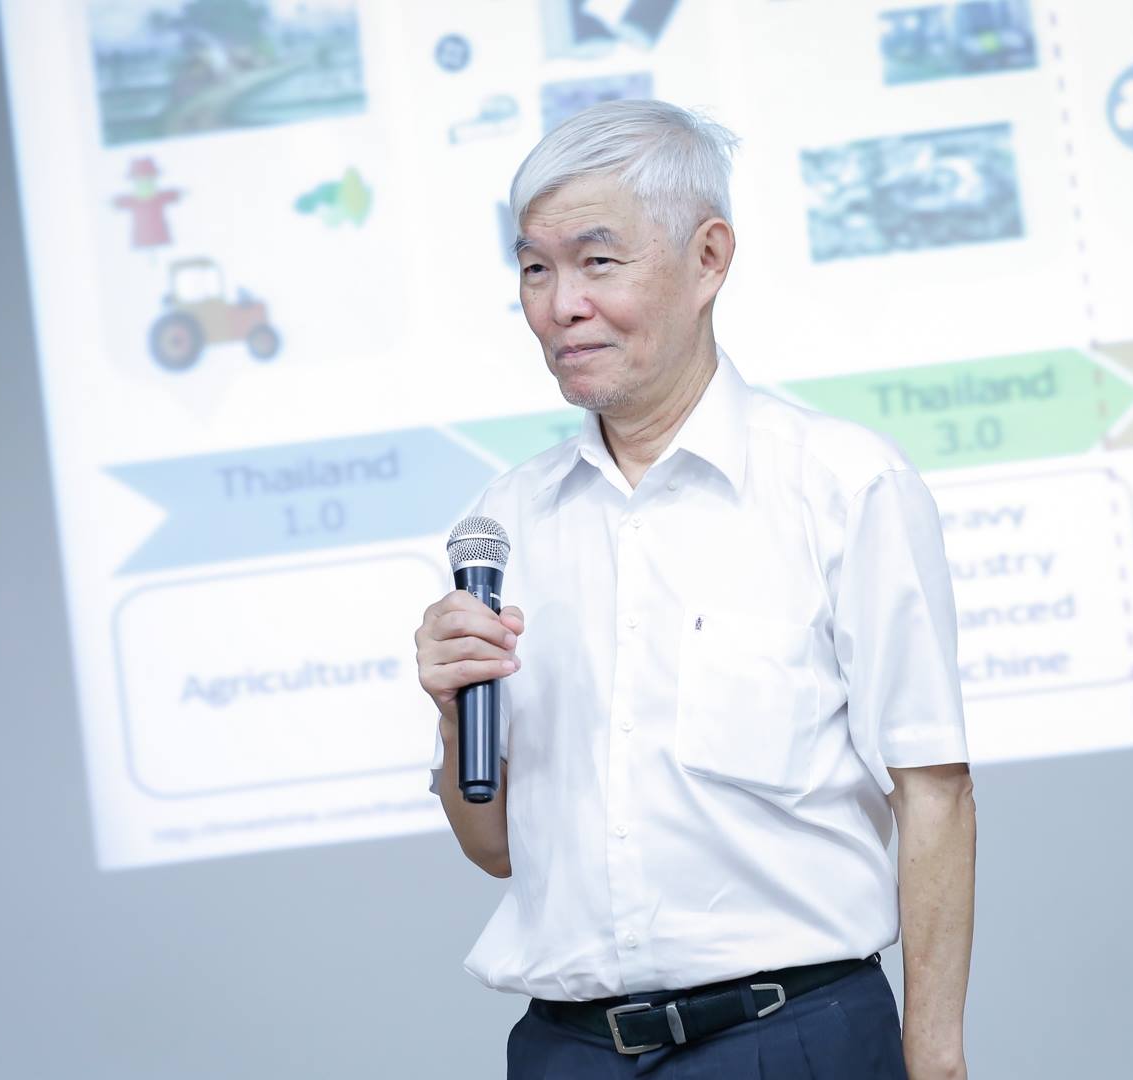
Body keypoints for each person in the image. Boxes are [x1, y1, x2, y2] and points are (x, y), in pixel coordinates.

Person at [414, 99, 975, 1080]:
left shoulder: (842, 486)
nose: (561, 304)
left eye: (597, 261)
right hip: (568, 1052)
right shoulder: (508, 520)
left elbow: (934, 791)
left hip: (791, 1037)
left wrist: (935, 1060)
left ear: (709, 259)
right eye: (535, 268)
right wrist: (457, 711)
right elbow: (495, 847)